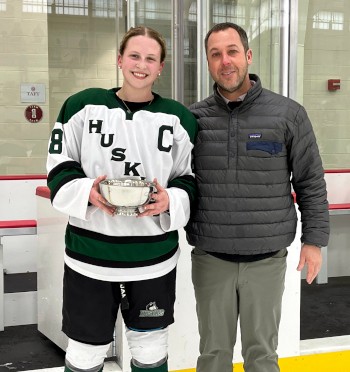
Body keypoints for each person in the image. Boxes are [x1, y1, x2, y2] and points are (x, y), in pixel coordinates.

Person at [46, 26, 197, 372]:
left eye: (150, 58)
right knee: (85, 352)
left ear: (161, 67)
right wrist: (89, 192)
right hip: (89, 258)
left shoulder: (179, 118)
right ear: (119, 59)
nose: (140, 65)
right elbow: (58, 169)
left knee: (150, 347)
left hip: (153, 259)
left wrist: (170, 201)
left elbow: (189, 180)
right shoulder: (80, 106)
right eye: (134, 56)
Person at [185, 22, 329, 372]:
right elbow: (180, 183)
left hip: (266, 259)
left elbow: (310, 179)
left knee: (262, 356)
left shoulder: (287, 114)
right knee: (212, 356)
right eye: (215, 54)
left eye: (232, 51)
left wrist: (314, 241)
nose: (225, 61)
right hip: (211, 258)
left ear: (247, 55)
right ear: (208, 62)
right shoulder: (193, 119)